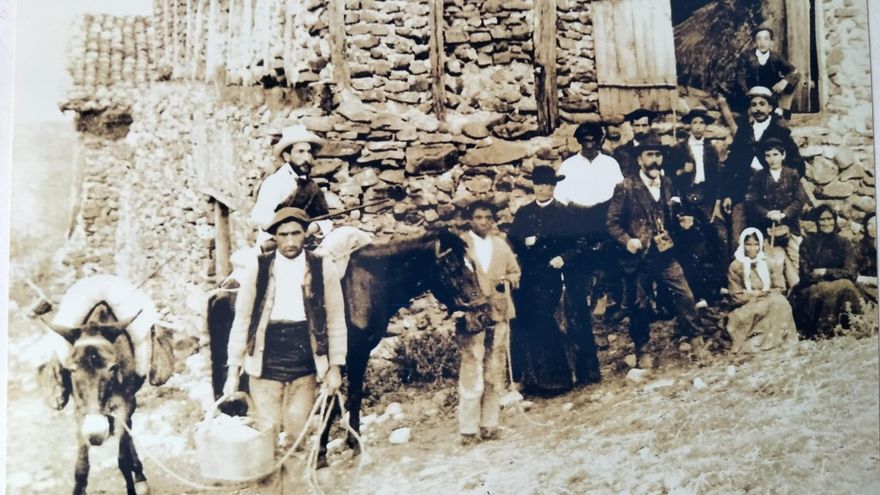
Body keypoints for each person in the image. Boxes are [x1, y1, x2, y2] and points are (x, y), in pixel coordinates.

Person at [223, 208, 346, 488]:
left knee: (296, 438)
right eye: (283, 235)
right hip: (265, 363)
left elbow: (336, 318)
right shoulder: (260, 267)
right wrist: (233, 372)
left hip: (304, 364)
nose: (290, 241)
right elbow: (242, 320)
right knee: (265, 439)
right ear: (274, 237)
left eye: (295, 234)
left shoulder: (322, 266)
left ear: (305, 234)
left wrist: (335, 367)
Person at [606, 134, 702, 368]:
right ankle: (643, 349)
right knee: (640, 305)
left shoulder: (668, 183)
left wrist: (682, 221)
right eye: (650, 155)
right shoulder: (626, 187)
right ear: (640, 160)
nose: (655, 160)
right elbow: (612, 223)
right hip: (639, 259)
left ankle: (696, 340)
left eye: (658, 155)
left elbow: (671, 215)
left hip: (665, 255)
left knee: (685, 295)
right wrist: (627, 240)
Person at [509, 166, 600, 395]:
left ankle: (575, 375)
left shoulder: (565, 214)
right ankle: (537, 379)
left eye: (547, 184)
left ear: (554, 186)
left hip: (561, 275)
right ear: (534, 186)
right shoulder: (523, 213)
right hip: (532, 277)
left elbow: (580, 244)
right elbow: (513, 240)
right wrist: (524, 242)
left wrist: (563, 257)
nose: (542, 188)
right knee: (532, 323)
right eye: (538, 183)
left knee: (570, 320)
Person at [458, 201, 521, 444]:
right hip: (473, 315)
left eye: (487, 217)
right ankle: (468, 429)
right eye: (478, 217)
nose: (483, 221)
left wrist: (509, 280)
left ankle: (490, 424)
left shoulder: (500, 245)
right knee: (471, 367)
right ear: (470, 220)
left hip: (498, 312)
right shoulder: (461, 246)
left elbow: (515, 272)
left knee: (495, 367)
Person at [554, 122, 626, 325]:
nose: (589, 145)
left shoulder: (610, 164)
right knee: (579, 257)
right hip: (577, 215)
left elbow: (620, 192)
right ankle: (581, 301)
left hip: (605, 213)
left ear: (600, 141)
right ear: (579, 142)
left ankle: (603, 297)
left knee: (607, 256)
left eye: (593, 140)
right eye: (585, 141)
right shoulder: (569, 165)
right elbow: (560, 197)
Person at [722, 86, 805, 250]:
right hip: (743, 193)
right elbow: (732, 164)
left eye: (762, 104)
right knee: (739, 241)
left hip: (770, 199)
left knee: (770, 244)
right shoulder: (744, 131)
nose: (757, 108)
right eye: (753, 105)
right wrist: (727, 195)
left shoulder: (780, 131)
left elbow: (798, 166)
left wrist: (781, 185)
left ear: (770, 108)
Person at [667, 107, 727, 304]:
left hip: (707, 199)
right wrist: (682, 171)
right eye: (695, 123)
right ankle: (696, 291)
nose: (698, 127)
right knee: (693, 243)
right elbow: (669, 176)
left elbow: (718, 178)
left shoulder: (711, 149)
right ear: (689, 126)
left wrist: (716, 203)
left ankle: (718, 286)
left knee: (717, 237)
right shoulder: (679, 148)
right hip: (687, 198)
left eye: (702, 123)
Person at [789, 205, 864, 338]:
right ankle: (822, 331)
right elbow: (806, 274)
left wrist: (826, 272)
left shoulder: (843, 242)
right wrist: (833, 276)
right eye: (822, 219)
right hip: (812, 287)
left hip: (839, 282)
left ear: (834, 220)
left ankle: (854, 326)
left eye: (830, 219)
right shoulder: (808, 243)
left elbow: (851, 272)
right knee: (826, 289)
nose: (826, 223)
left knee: (847, 286)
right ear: (817, 221)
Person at [251, 124, 333, 246]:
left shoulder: (312, 187)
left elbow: (326, 220)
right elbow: (261, 215)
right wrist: (290, 229)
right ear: (286, 156)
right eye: (300, 152)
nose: (306, 157)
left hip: (305, 248)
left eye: (309, 152)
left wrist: (313, 227)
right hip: (274, 248)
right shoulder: (274, 182)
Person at [744, 137, 808, 289]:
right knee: (774, 262)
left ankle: (798, 292)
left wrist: (785, 213)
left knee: (795, 258)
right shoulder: (758, 177)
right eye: (768, 156)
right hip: (768, 229)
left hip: (790, 226)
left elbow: (799, 199)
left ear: (783, 155)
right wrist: (767, 213)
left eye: (775, 155)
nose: (771, 159)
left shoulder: (792, 174)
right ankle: (780, 292)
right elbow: (751, 201)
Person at [725, 228, 798, 353]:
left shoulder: (768, 263)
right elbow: (735, 296)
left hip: (768, 300)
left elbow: (780, 287)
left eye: (755, 244)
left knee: (781, 302)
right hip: (747, 306)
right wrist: (753, 295)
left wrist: (766, 294)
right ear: (742, 245)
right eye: (748, 244)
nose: (752, 248)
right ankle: (756, 343)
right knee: (771, 305)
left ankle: (776, 341)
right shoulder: (736, 266)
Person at [735, 24, 801, 117]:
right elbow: (740, 78)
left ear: (770, 41)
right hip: (752, 94)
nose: (762, 42)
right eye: (759, 39)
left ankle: (783, 111)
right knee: (750, 116)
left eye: (766, 39)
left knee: (778, 116)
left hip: (770, 94)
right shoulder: (746, 56)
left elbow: (795, 72)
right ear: (754, 41)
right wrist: (749, 94)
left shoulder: (776, 57)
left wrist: (784, 81)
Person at [613, 109, 661, 178]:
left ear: (649, 126)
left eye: (644, 125)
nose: (641, 130)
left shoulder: (659, 150)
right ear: (632, 126)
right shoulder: (621, 152)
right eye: (637, 125)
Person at [856, 214, 878, 301]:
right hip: (865, 289)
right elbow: (853, 272)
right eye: (869, 224)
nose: (872, 228)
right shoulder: (860, 247)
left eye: (876, 223)